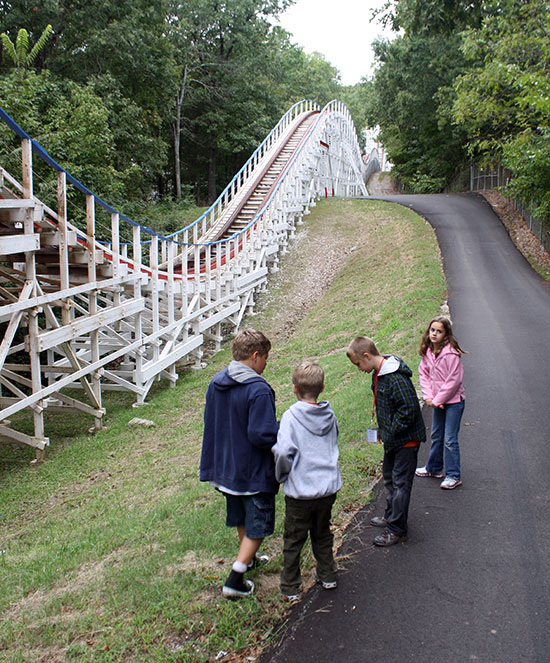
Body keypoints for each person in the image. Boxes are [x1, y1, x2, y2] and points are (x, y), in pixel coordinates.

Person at [200, 328, 279, 598]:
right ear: (255, 356)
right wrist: (283, 430)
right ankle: (236, 577)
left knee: (242, 516)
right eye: (266, 358)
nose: (266, 364)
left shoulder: (217, 381)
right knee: (258, 523)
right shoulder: (258, 389)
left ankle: (250, 558)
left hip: (226, 469)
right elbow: (262, 434)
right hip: (252, 471)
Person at [272, 361, 342, 601]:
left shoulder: (290, 417)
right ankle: (328, 574)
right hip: (327, 488)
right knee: (322, 533)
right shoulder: (329, 415)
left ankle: (290, 586)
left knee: (293, 539)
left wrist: (281, 475)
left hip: (300, 492)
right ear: (322, 387)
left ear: (294, 389)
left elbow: (282, 452)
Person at [347, 336, 426, 546]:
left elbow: (409, 409)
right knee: (390, 478)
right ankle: (391, 515)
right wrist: (385, 431)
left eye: (358, 364)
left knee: (401, 484)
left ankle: (396, 529)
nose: (358, 368)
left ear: (367, 355)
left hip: (405, 441)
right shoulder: (378, 374)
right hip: (392, 439)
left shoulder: (395, 378)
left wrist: (390, 430)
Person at [415, 315, 466, 490]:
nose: (434, 334)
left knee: (450, 439)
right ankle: (433, 467)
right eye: (432, 330)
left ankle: (453, 475)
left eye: (439, 331)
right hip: (438, 402)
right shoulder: (428, 353)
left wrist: (437, 400)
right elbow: (424, 374)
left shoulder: (451, 354)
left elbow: (453, 381)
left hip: (453, 402)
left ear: (446, 335)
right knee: (436, 434)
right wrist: (428, 397)